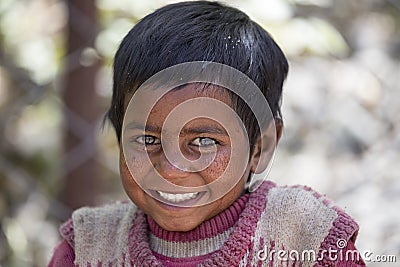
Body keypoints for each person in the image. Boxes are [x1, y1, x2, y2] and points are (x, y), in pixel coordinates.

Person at [49, 1, 366, 266]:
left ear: (260, 147)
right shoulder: (87, 248)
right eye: (147, 140)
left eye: (203, 142)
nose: (170, 170)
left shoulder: (305, 234)